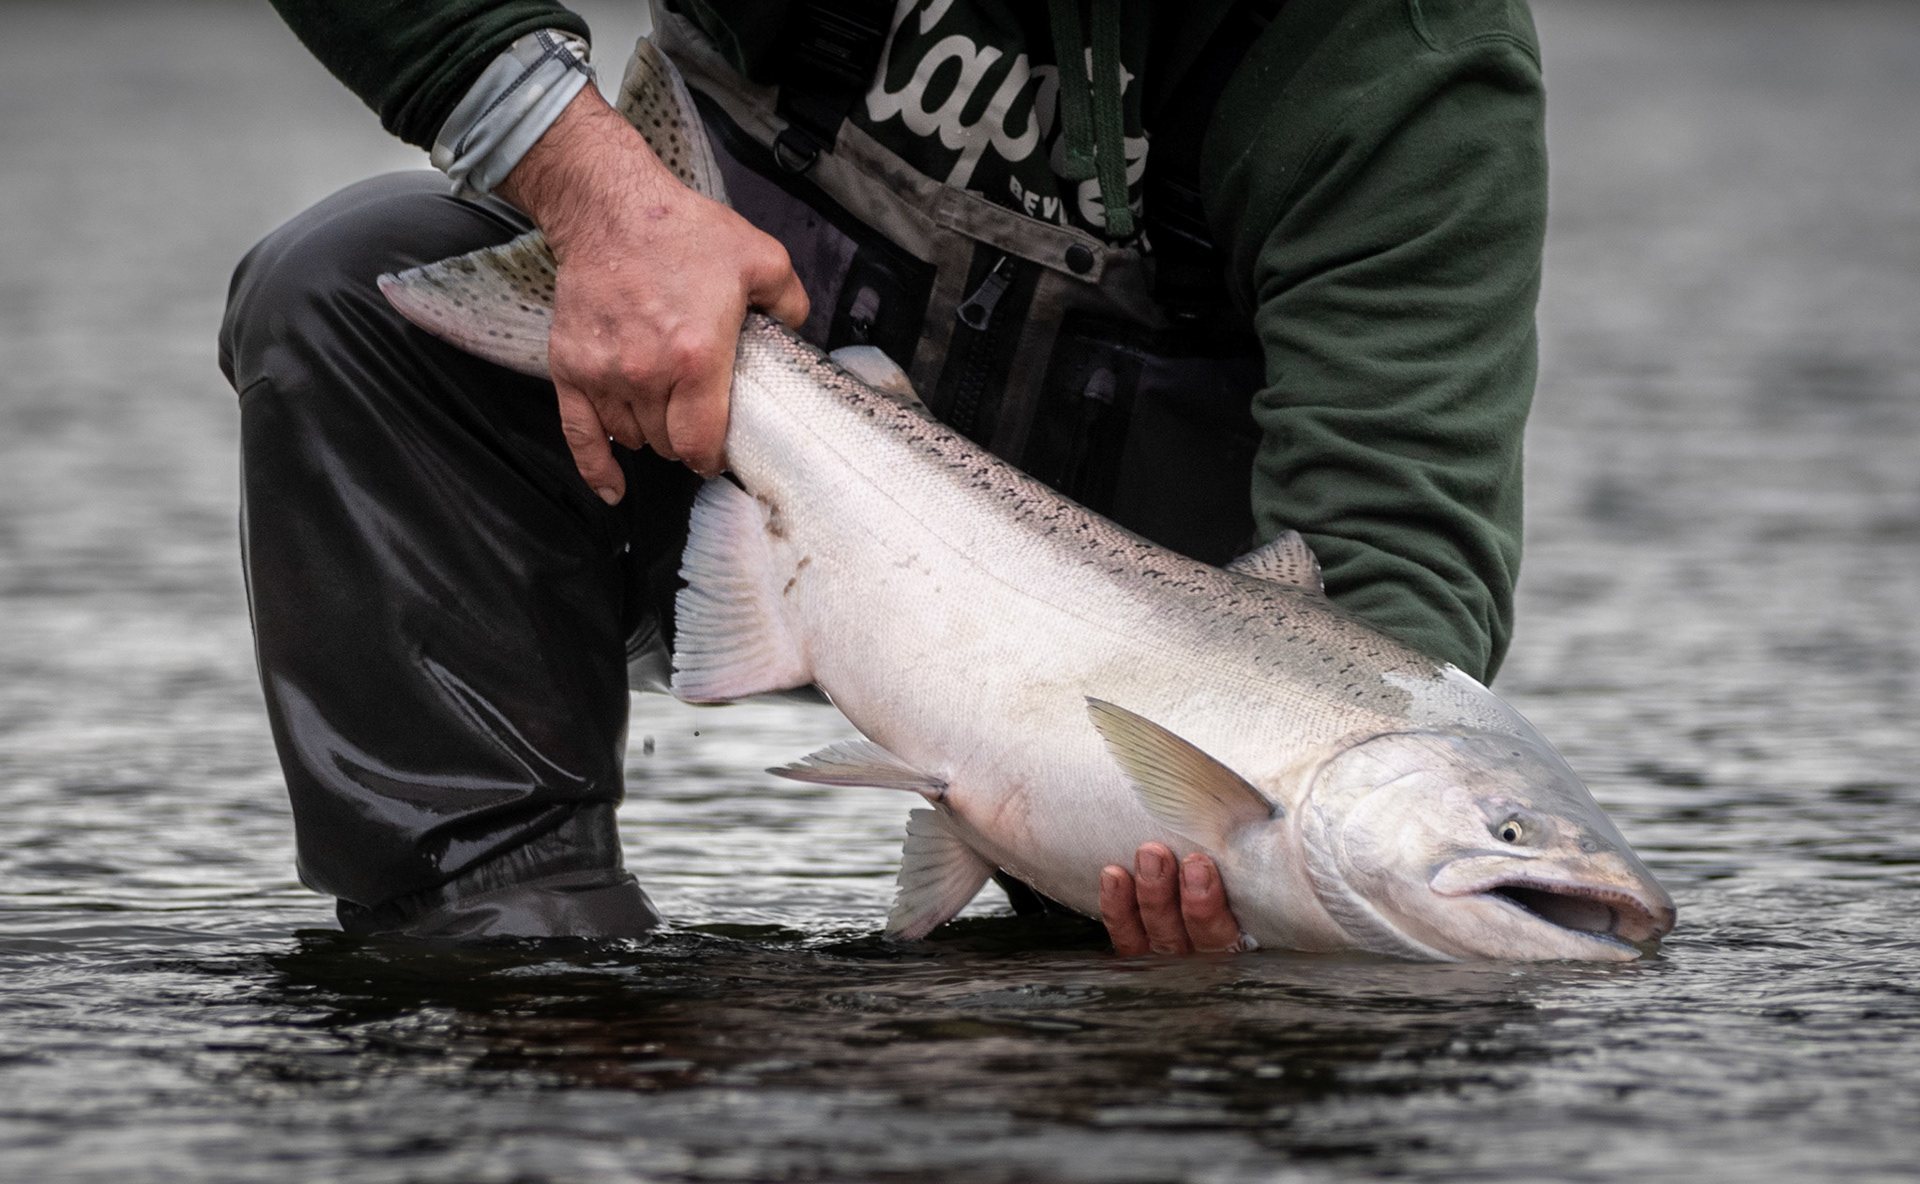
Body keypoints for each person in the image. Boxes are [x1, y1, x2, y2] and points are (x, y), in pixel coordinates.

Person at [221, 0, 1544, 951]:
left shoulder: (1409, 62)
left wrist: (1298, 882)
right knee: (348, 296)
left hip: (1124, 693)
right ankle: (511, 979)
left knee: (1278, 960)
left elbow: (1393, 570)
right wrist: (599, 195)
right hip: (681, 441)